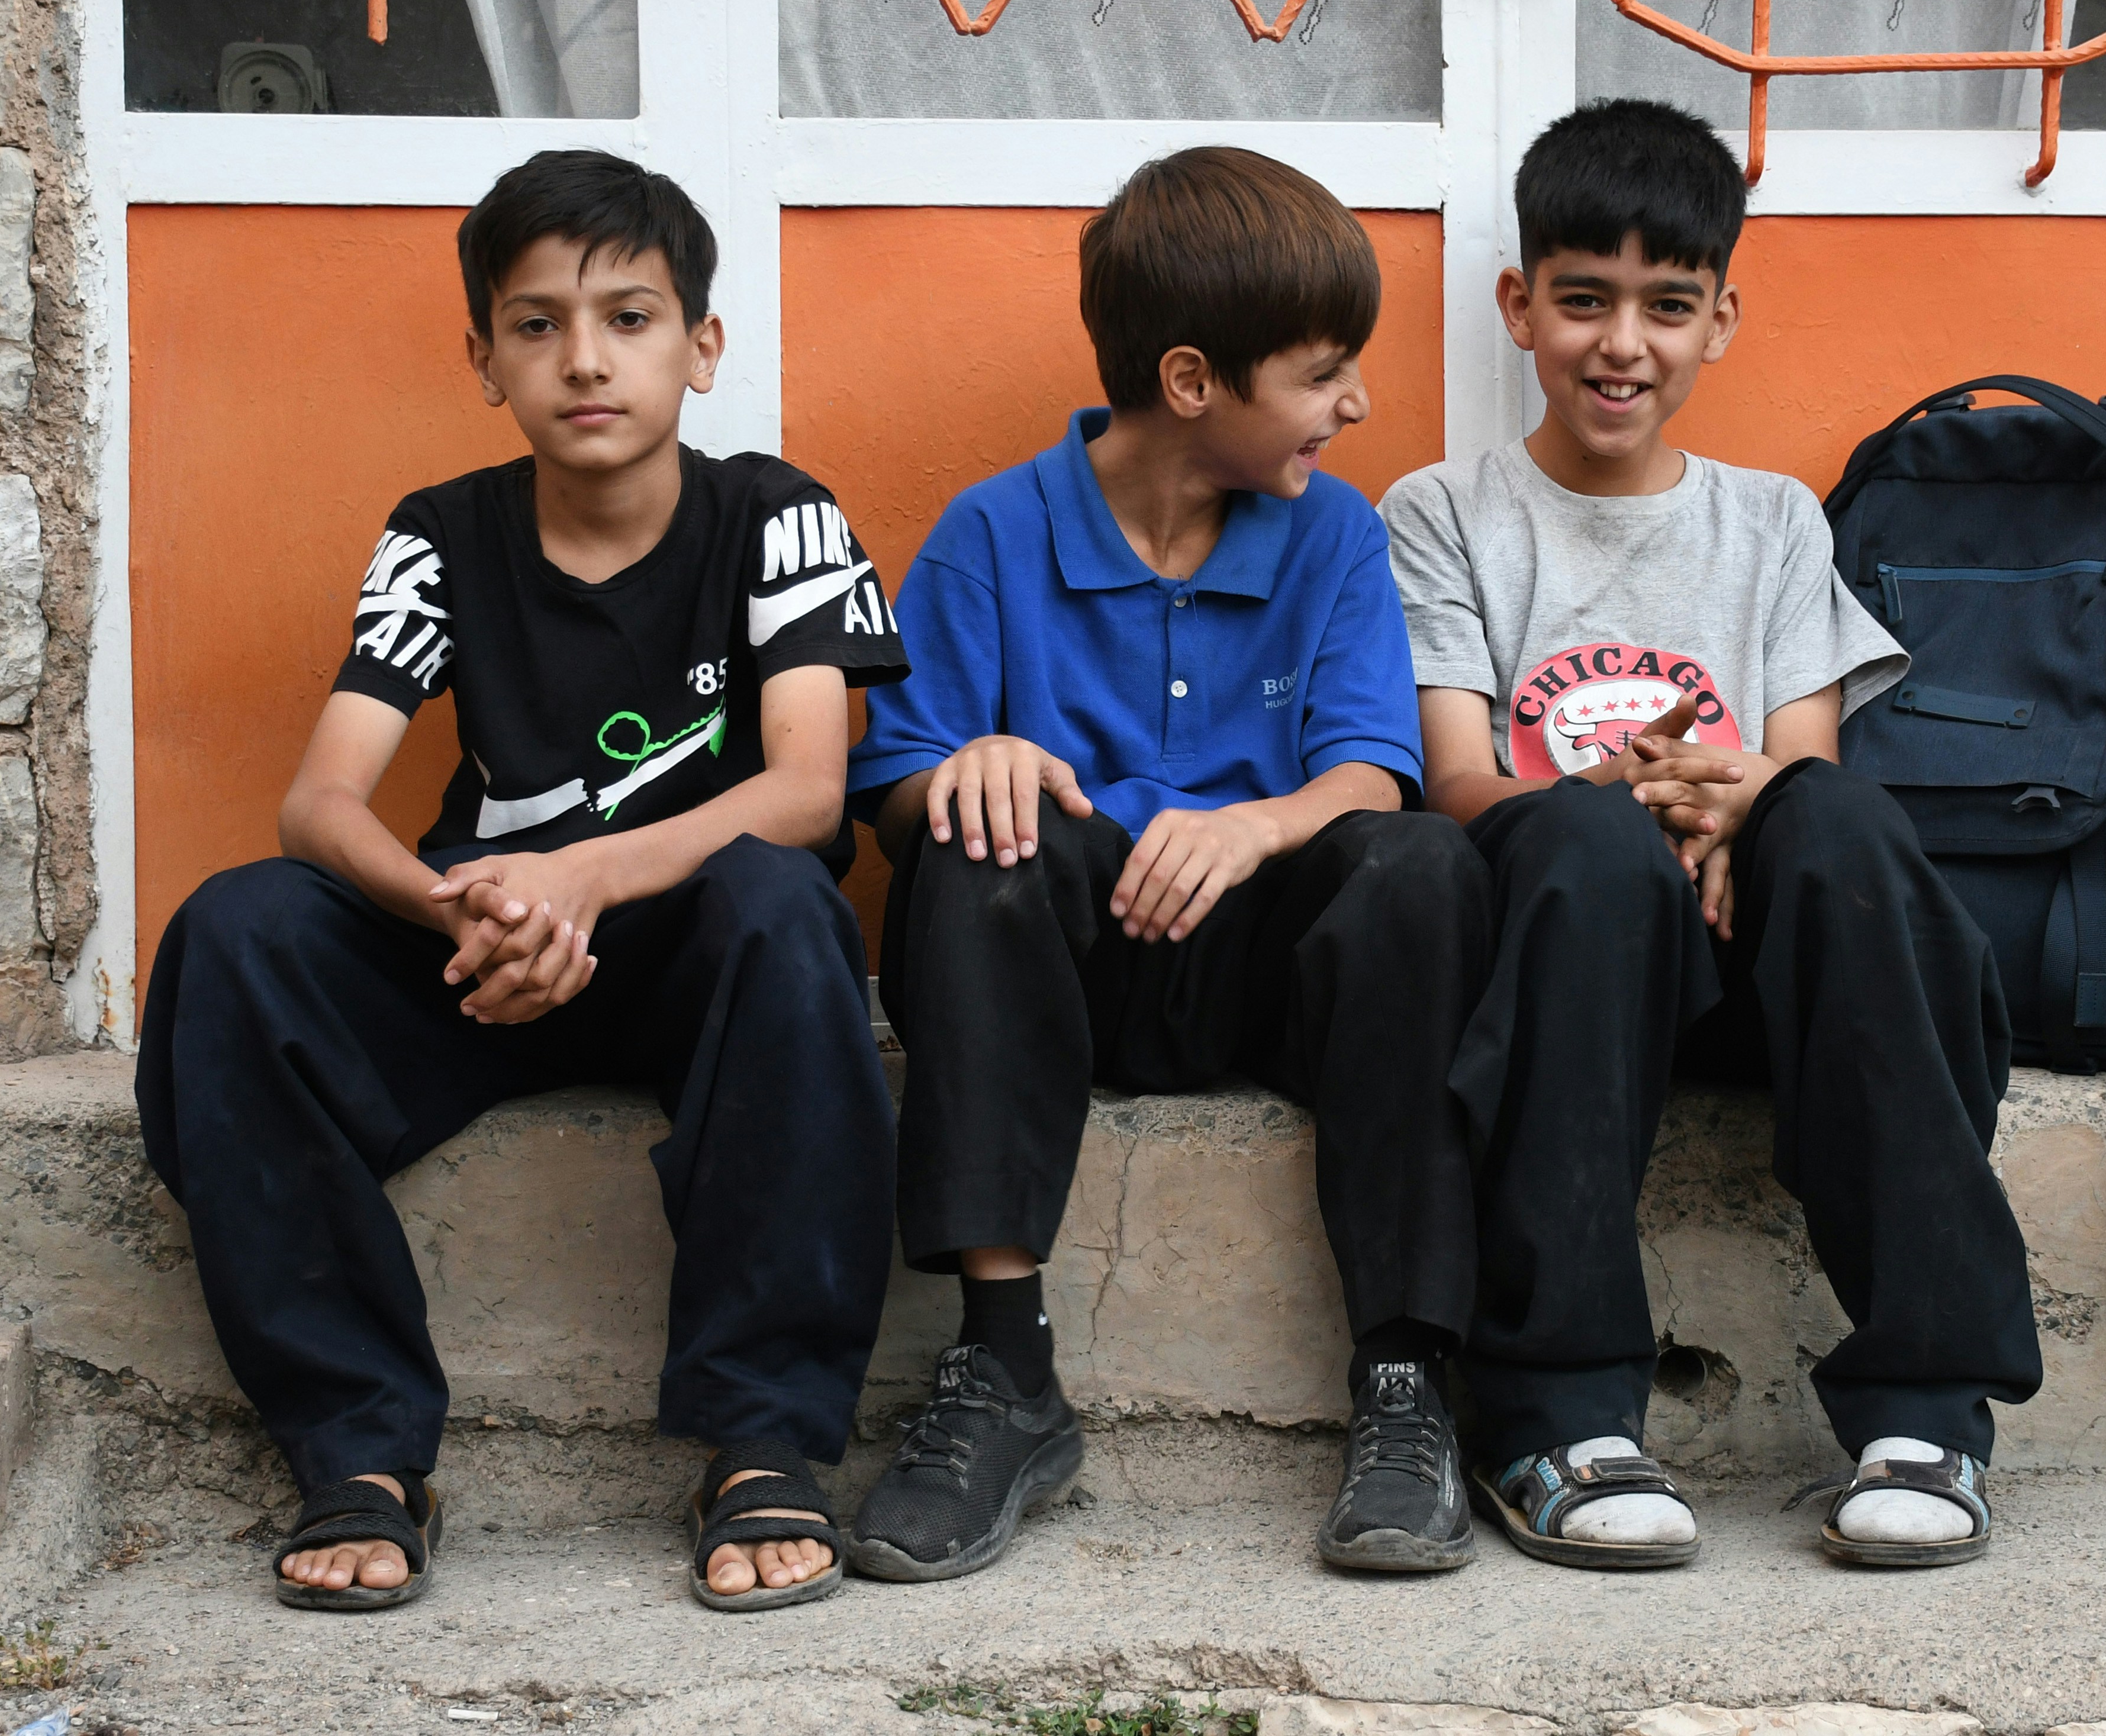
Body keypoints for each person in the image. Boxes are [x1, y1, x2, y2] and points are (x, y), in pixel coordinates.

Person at [135, 151, 907, 1615]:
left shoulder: (776, 515)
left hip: (690, 947)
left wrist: (578, 883)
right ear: (485, 359)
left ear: (703, 344)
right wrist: (461, 905)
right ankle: (359, 1448)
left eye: (631, 315)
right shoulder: (442, 529)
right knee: (233, 930)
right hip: (482, 949)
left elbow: (808, 789)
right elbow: (321, 800)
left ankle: (762, 1438)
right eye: (538, 324)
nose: (587, 358)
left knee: (789, 905)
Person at [1379, 98, 2042, 1571]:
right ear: (1520, 306)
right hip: (1567, 955)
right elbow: (1458, 778)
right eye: (1585, 300)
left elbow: (1798, 768)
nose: (1623, 342)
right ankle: (1558, 1409)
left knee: (1844, 821)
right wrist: (1641, 801)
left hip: (1761, 952)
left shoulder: (1774, 521)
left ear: (1721, 320)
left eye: (1667, 306)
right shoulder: (1442, 511)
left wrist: (1734, 804)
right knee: (1580, 839)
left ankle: (1928, 1408)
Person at [846, 147, 1492, 1581]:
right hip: (1067, 982)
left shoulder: (1333, 531)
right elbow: (888, 780)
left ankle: (1404, 1379)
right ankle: (1004, 1369)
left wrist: (1258, 821)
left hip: (1273, 977)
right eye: (1325, 373)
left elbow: (1373, 765)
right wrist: (966, 768)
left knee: (1420, 866)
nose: (1359, 402)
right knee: (969, 834)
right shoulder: (991, 536)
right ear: (1195, 380)